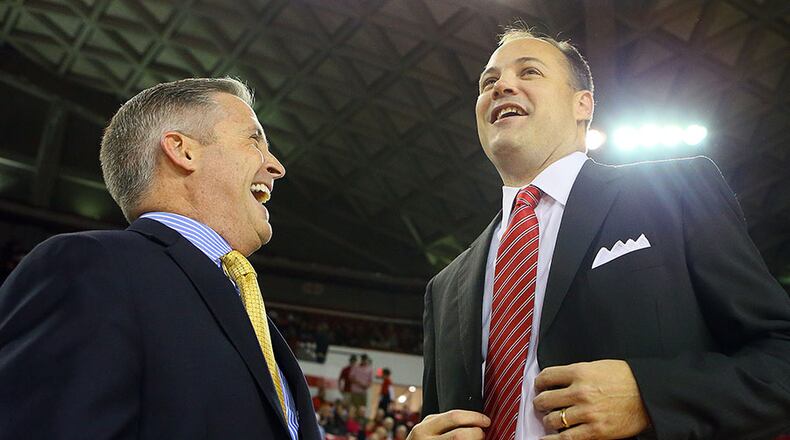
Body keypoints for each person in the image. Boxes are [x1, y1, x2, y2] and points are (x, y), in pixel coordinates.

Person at [411, 25, 790, 440]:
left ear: (583, 104)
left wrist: (651, 397)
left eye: (529, 72)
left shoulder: (675, 192)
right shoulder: (445, 288)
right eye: (489, 81)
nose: (501, 86)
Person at [0, 78, 321, 439]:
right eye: (254, 139)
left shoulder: (245, 308)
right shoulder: (91, 266)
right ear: (183, 151)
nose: (276, 166)